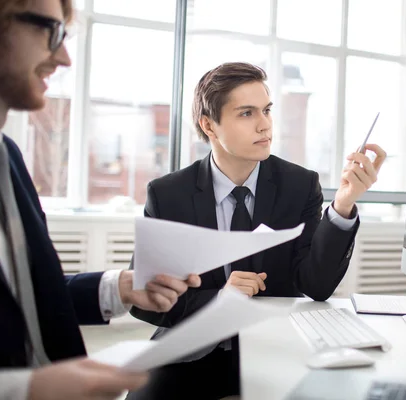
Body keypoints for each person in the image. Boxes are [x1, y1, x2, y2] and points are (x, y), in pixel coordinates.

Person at [127, 61, 387, 399]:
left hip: (277, 342)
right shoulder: (168, 194)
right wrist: (218, 301)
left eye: (266, 110)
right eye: (247, 114)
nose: (265, 125)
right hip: (192, 347)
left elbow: (317, 285)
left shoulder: (300, 185)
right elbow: (143, 299)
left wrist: (343, 206)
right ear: (209, 125)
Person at [0, 0, 202, 399]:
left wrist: (119, 288)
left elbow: (21, 300)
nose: (64, 57)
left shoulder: (8, 159)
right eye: (50, 31)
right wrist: (22, 390)